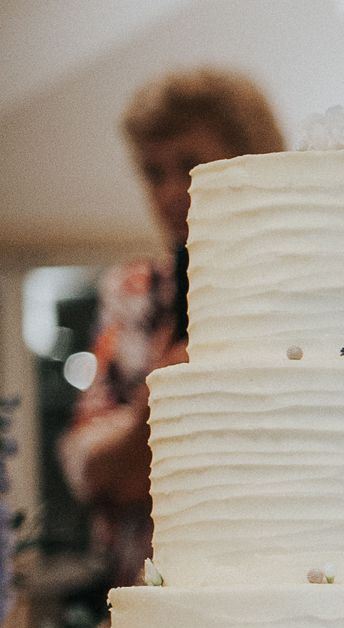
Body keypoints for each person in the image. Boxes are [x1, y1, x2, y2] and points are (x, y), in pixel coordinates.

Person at [59, 68, 284, 588]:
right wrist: (153, 412)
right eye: (152, 173)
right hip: (142, 600)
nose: (170, 193)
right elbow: (86, 468)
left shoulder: (296, 295)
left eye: (191, 165)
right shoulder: (135, 292)